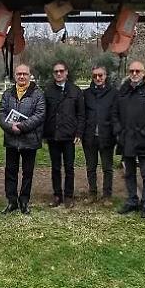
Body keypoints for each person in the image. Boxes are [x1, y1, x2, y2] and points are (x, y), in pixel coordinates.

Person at [113, 61, 145, 218]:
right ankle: (132, 200)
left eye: (138, 71)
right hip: (126, 139)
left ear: (144, 73)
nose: (134, 74)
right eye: (132, 71)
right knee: (129, 173)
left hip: (144, 140)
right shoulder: (123, 91)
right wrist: (118, 131)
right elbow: (114, 114)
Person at [0, 64, 46, 215]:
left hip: (30, 140)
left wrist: (22, 126)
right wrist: (9, 127)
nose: (22, 77)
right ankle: (12, 201)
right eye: (19, 74)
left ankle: (24, 201)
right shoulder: (8, 93)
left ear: (30, 75)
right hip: (11, 140)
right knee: (10, 171)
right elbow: (1, 113)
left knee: (27, 172)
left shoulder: (37, 94)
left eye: (25, 74)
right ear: (15, 76)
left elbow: (40, 114)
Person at [42, 60, 84, 206]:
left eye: (61, 71)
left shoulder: (75, 91)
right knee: (55, 167)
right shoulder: (48, 91)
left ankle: (69, 196)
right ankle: (57, 195)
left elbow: (80, 114)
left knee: (69, 167)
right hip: (53, 135)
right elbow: (44, 114)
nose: (59, 74)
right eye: (56, 72)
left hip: (69, 136)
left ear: (66, 72)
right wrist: (44, 134)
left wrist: (78, 133)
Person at [82, 64, 117, 201]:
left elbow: (116, 115)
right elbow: (82, 115)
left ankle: (107, 195)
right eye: (95, 76)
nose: (97, 78)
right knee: (91, 167)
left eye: (100, 75)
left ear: (105, 76)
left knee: (107, 168)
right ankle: (92, 193)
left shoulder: (114, 93)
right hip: (90, 137)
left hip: (107, 136)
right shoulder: (86, 94)